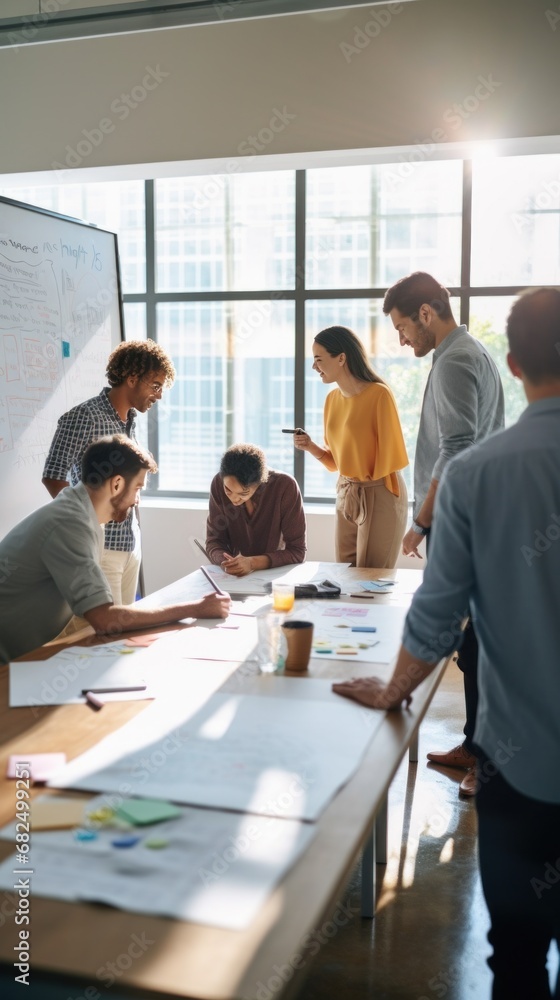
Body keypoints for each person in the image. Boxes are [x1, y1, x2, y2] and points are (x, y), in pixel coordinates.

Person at [332, 287, 560, 1000]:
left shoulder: (475, 476)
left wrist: (392, 690)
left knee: (515, 954)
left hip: (519, 767)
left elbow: (436, 618)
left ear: (515, 364)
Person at [382, 272, 504, 796]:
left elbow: (457, 448)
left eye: (403, 326)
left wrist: (421, 521)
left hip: (465, 522)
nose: (401, 338)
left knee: (479, 647)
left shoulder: (455, 358)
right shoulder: (462, 351)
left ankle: (489, 761)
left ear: (427, 313)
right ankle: (475, 745)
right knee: (471, 644)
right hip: (470, 519)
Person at [0, 435, 229, 663]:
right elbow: (104, 619)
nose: (137, 500)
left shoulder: (81, 513)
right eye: (137, 488)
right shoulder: (70, 524)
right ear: (117, 484)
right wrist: (196, 608)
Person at [42, 338, 176, 607]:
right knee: (107, 634)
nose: (160, 394)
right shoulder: (84, 416)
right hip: (101, 548)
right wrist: (85, 525)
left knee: (126, 634)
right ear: (132, 378)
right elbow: (54, 475)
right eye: (156, 385)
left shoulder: (131, 420)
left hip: (130, 543)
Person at [293, 325, 408, 568]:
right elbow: (337, 462)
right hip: (346, 491)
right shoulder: (332, 400)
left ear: (342, 358)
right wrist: (311, 446)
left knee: (371, 577)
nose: (314, 367)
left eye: (319, 359)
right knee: (343, 574)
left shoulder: (379, 395)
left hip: (379, 491)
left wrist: (364, 485)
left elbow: (391, 458)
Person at [206, 443, 306, 577]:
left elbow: (297, 551)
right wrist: (228, 563)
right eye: (228, 490)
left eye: (243, 493)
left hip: (276, 576)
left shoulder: (285, 486)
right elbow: (214, 541)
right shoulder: (218, 484)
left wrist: (252, 563)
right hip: (236, 579)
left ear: (259, 483)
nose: (234, 499)